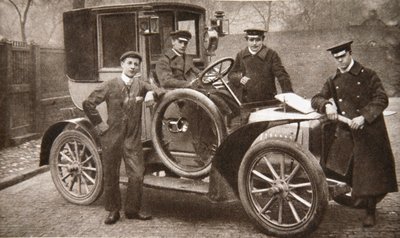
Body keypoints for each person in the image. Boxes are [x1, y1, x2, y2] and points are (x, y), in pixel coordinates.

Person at [311, 41, 398, 227]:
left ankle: (370, 211)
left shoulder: (368, 74)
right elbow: (316, 98)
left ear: (350, 53)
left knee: (369, 173)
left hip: (369, 131)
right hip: (346, 130)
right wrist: (325, 105)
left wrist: (364, 117)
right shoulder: (332, 80)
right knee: (337, 166)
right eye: (336, 58)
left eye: (342, 56)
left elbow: (381, 98)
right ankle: (355, 197)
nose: (340, 61)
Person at [82, 51, 164, 225]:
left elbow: (159, 90)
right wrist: (101, 125)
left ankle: (132, 210)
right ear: (122, 64)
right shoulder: (110, 85)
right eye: (130, 63)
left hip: (132, 138)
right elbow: (88, 104)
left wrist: (152, 93)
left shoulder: (141, 85)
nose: (133, 67)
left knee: (137, 175)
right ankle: (113, 211)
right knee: (111, 175)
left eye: (136, 64)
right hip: (111, 137)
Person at [228, 29, 293, 103]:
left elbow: (282, 76)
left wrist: (289, 98)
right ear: (247, 40)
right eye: (251, 40)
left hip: (268, 100)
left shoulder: (271, 54)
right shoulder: (241, 55)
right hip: (246, 100)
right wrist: (239, 78)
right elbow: (231, 74)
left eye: (258, 40)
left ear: (263, 39)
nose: (254, 43)